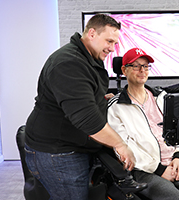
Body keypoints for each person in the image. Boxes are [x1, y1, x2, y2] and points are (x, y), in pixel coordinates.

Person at [24, 14, 136, 200]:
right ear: (92, 33)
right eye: (109, 41)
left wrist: (99, 98)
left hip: (74, 145)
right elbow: (88, 120)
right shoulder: (69, 63)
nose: (112, 48)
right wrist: (120, 145)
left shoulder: (88, 57)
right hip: (57, 152)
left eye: (115, 43)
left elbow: (80, 93)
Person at [107, 48, 179, 200]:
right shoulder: (116, 107)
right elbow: (125, 147)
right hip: (145, 170)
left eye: (146, 66)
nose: (142, 70)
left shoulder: (164, 98)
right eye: (136, 66)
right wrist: (159, 169)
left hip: (176, 162)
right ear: (124, 70)